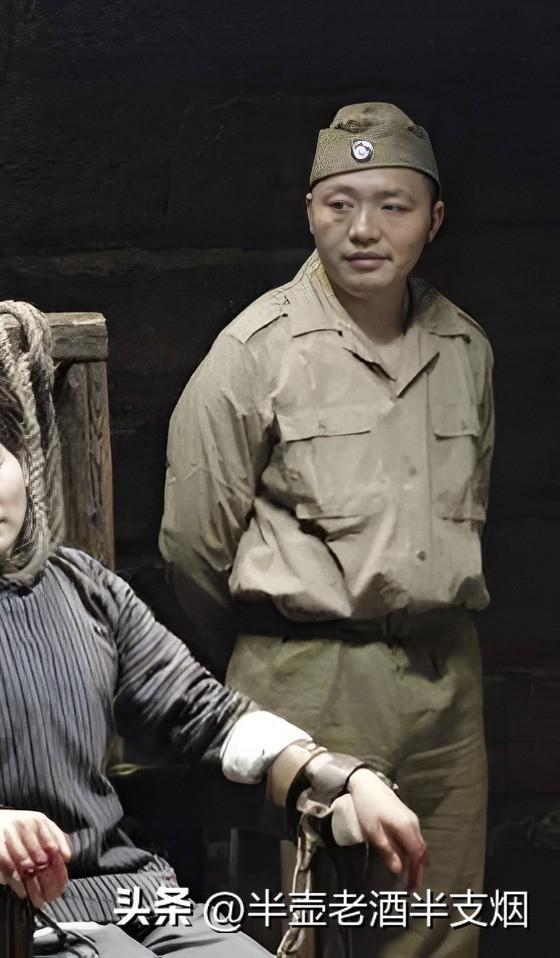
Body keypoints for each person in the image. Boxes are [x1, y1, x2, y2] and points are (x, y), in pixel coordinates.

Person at [0, 363, 426, 957]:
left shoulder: (82, 584)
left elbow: (197, 711)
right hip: (2, 916)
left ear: (23, 460)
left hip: (135, 893)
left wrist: (336, 777)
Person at [161, 103, 491, 958]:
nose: (364, 229)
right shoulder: (255, 352)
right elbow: (192, 546)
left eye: (393, 205)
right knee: (300, 931)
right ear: (310, 211)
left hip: (444, 684)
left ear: (434, 219)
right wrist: (265, 655)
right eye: (340, 203)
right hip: (303, 682)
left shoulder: (465, 349)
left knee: (439, 930)